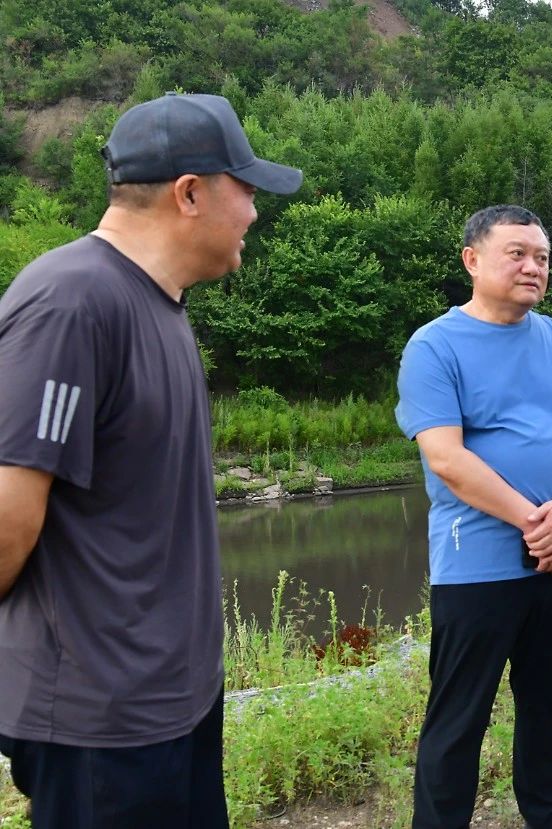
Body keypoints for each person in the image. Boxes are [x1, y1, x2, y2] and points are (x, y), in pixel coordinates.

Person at [0, 93, 302, 827]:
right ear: (189, 193)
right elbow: (8, 515)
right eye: (246, 189)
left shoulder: (160, 303)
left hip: (173, 704)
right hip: (101, 723)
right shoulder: (71, 301)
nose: (255, 212)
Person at [395, 205, 552, 829]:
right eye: (517, 254)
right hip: (478, 564)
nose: (533, 267)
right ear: (473, 259)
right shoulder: (434, 346)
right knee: (460, 714)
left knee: (547, 703)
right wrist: (537, 522)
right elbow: (447, 458)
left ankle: (551, 817)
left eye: (542, 257)